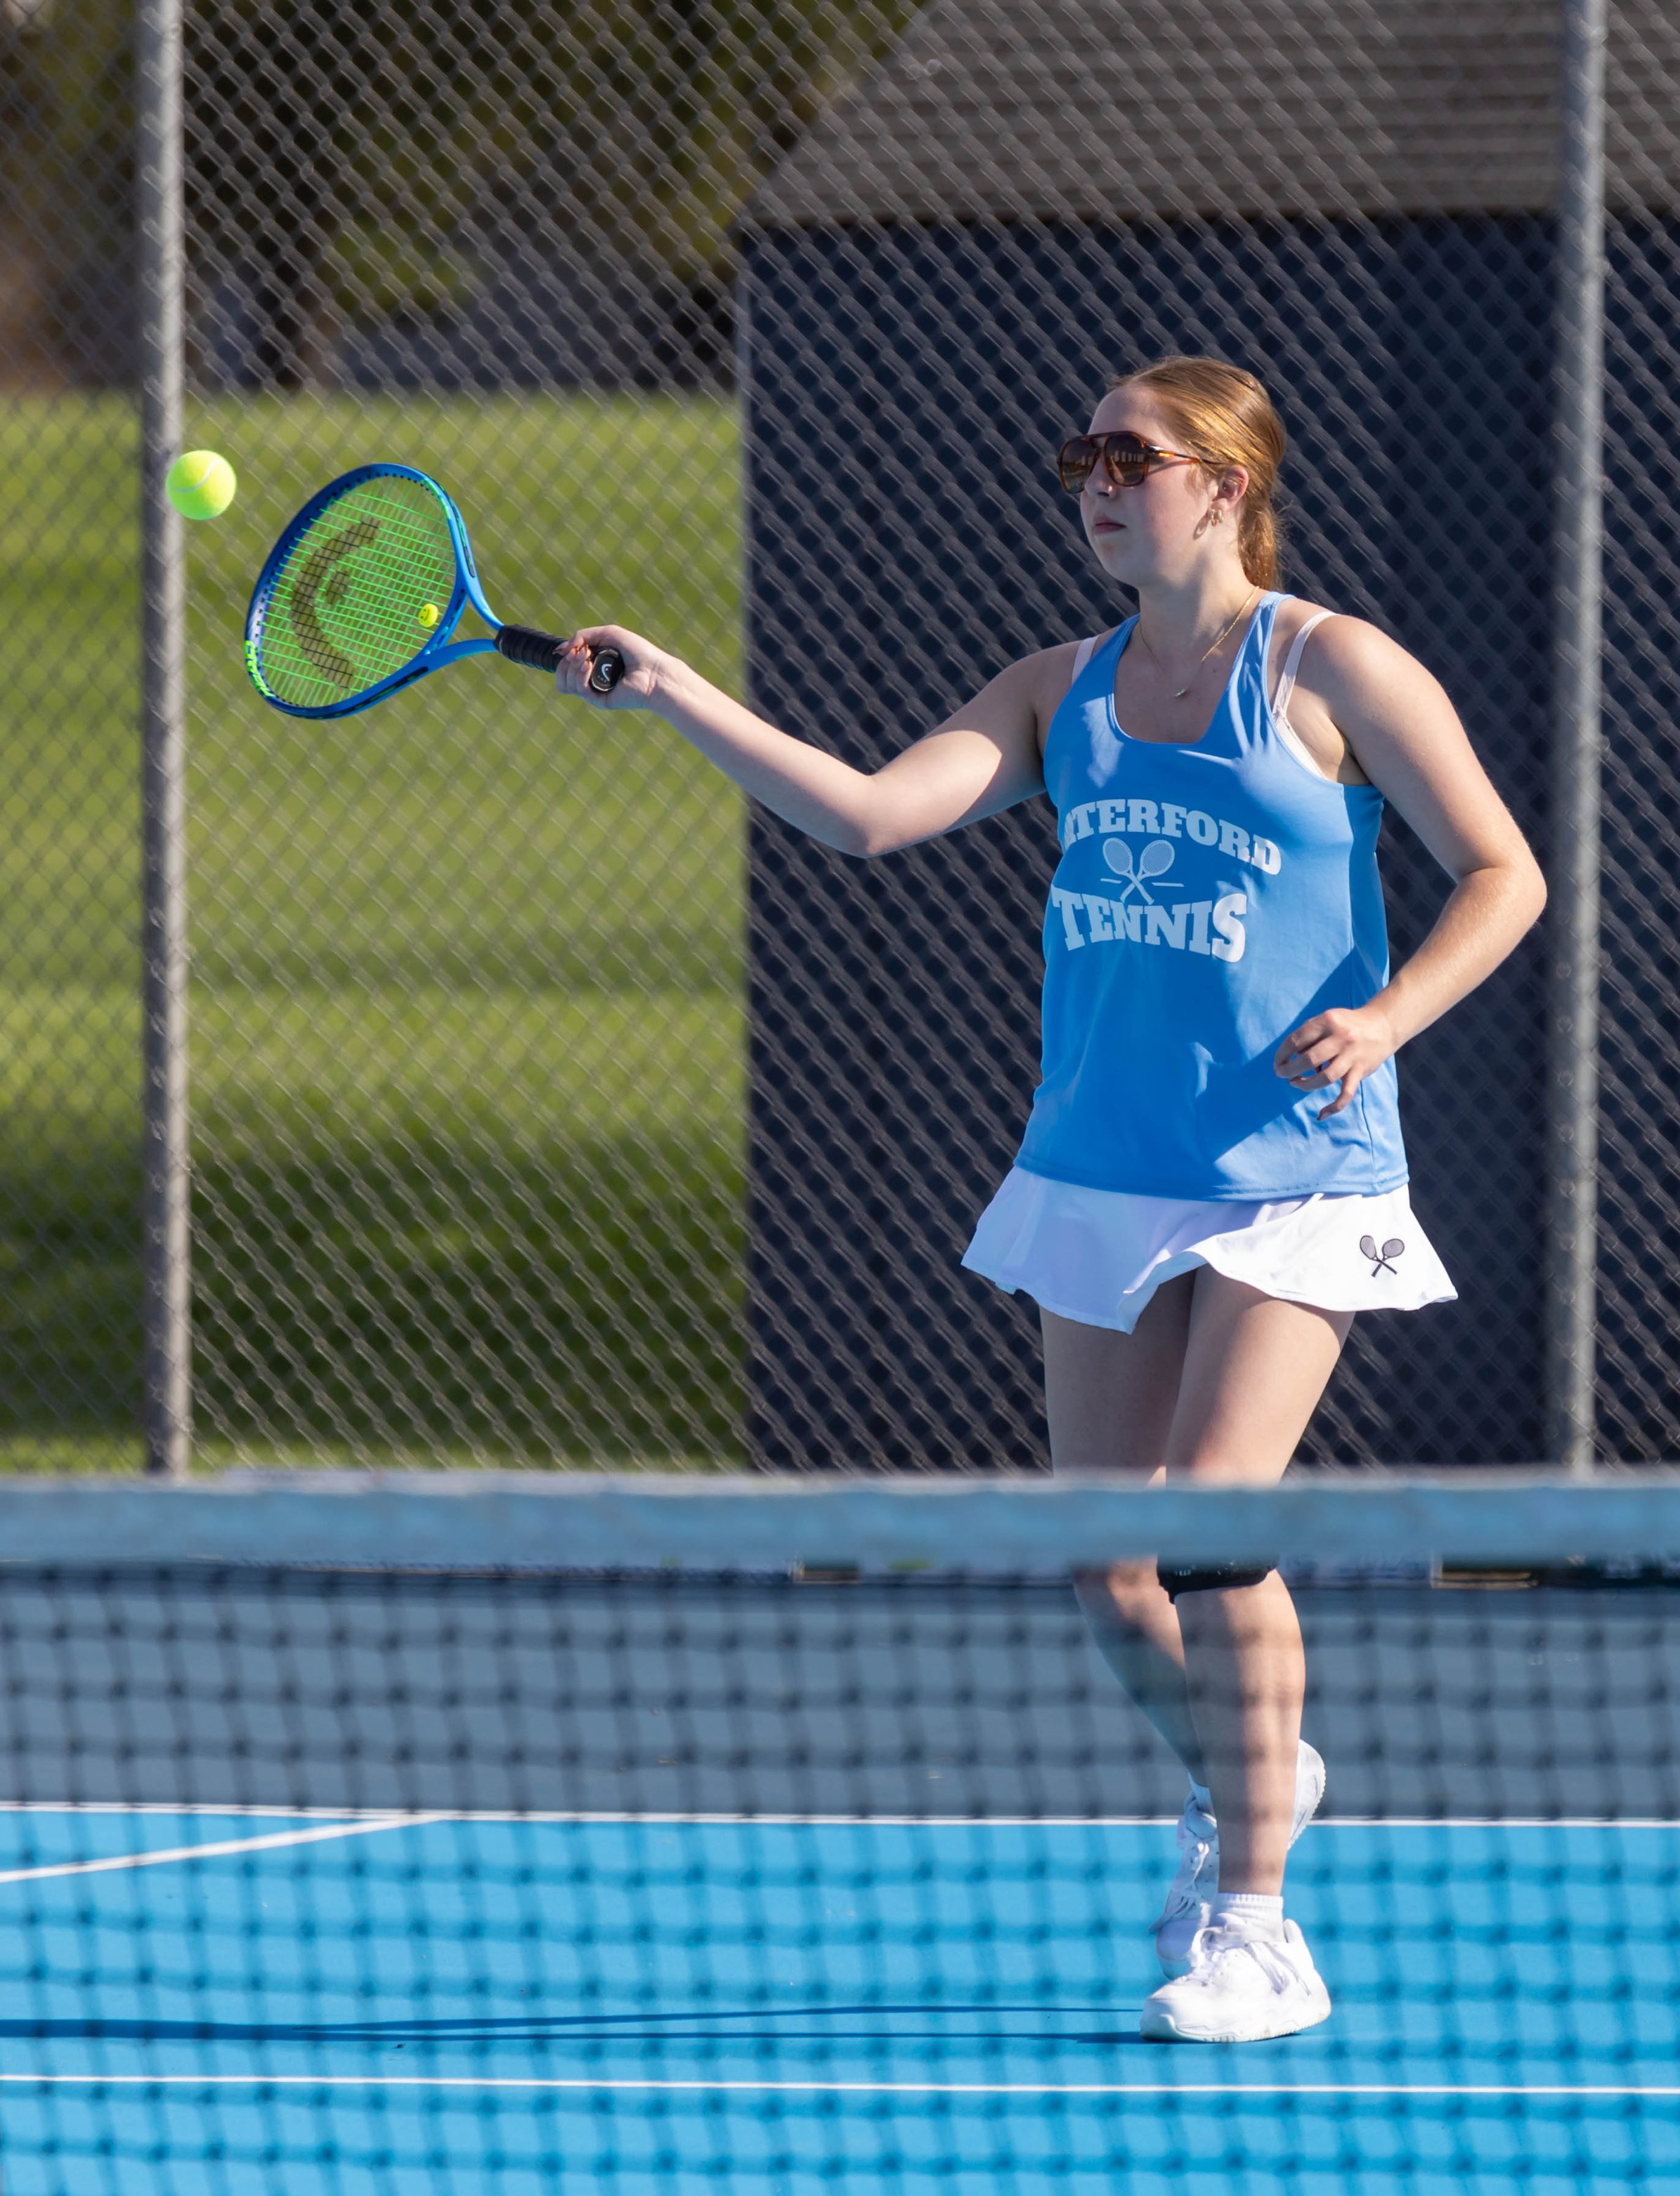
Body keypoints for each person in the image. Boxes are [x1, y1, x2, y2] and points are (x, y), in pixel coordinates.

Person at [554, 355, 1546, 2044]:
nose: (1092, 481)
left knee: (1210, 1532)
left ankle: (1256, 1928)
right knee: (1107, 1573)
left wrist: (1384, 1018)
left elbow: (1501, 872)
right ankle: (1254, 1768)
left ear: (1221, 482)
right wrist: (672, 694)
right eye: (1078, 454)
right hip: (1098, 1168)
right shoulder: (1057, 689)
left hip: (1290, 1175)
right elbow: (869, 818)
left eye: (1125, 456)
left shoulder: (1329, 669)